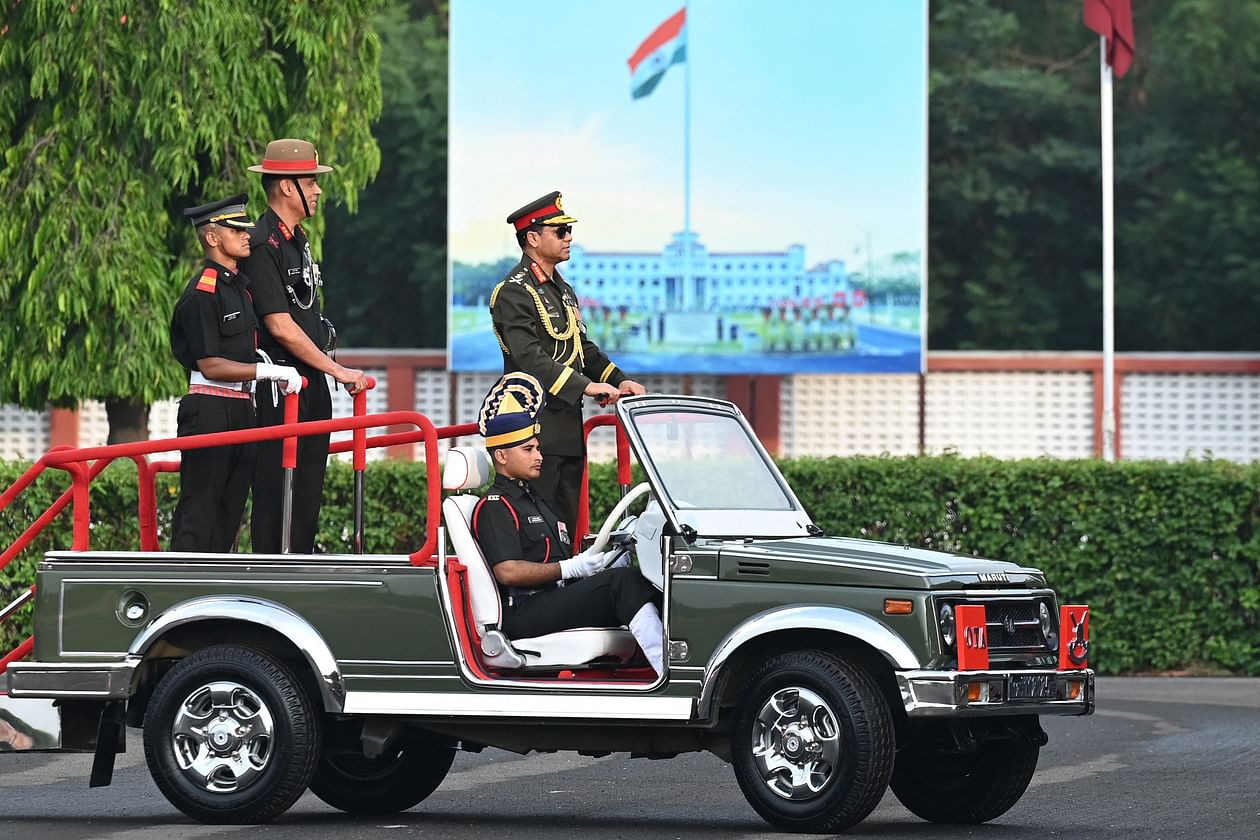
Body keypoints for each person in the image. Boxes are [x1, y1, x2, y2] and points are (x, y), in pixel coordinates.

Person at [471, 373, 665, 676]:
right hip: (524, 611)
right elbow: (507, 570)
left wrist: (599, 562)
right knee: (622, 584)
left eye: (537, 448)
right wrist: (570, 569)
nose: (539, 456)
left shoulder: (535, 500)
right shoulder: (496, 506)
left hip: (551, 599)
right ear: (502, 456)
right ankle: (670, 673)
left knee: (645, 581)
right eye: (528, 450)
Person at [490, 191, 645, 539]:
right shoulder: (514, 291)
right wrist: (587, 387)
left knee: (566, 530)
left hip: (567, 427)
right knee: (536, 532)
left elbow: (582, 349)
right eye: (559, 232)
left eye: (568, 231)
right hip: (531, 429)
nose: (569, 237)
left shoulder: (563, 291)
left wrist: (619, 380)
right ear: (532, 238)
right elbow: (529, 357)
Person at [242, 139, 368, 553]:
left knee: (308, 489)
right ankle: (273, 576)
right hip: (281, 387)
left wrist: (330, 370)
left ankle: (297, 563)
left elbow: (306, 320)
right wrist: (340, 372)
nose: (317, 191)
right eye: (311, 181)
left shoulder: (298, 240)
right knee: (279, 492)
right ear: (284, 187)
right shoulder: (262, 242)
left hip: (310, 383)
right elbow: (281, 326)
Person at [169, 194, 302, 552]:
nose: (247, 235)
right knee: (200, 511)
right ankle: (184, 588)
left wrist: (261, 371)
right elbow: (210, 364)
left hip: (243, 407)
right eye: (236, 229)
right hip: (210, 408)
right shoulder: (203, 293)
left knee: (230, 514)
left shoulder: (239, 290)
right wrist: (266, 371)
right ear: (212, 238)